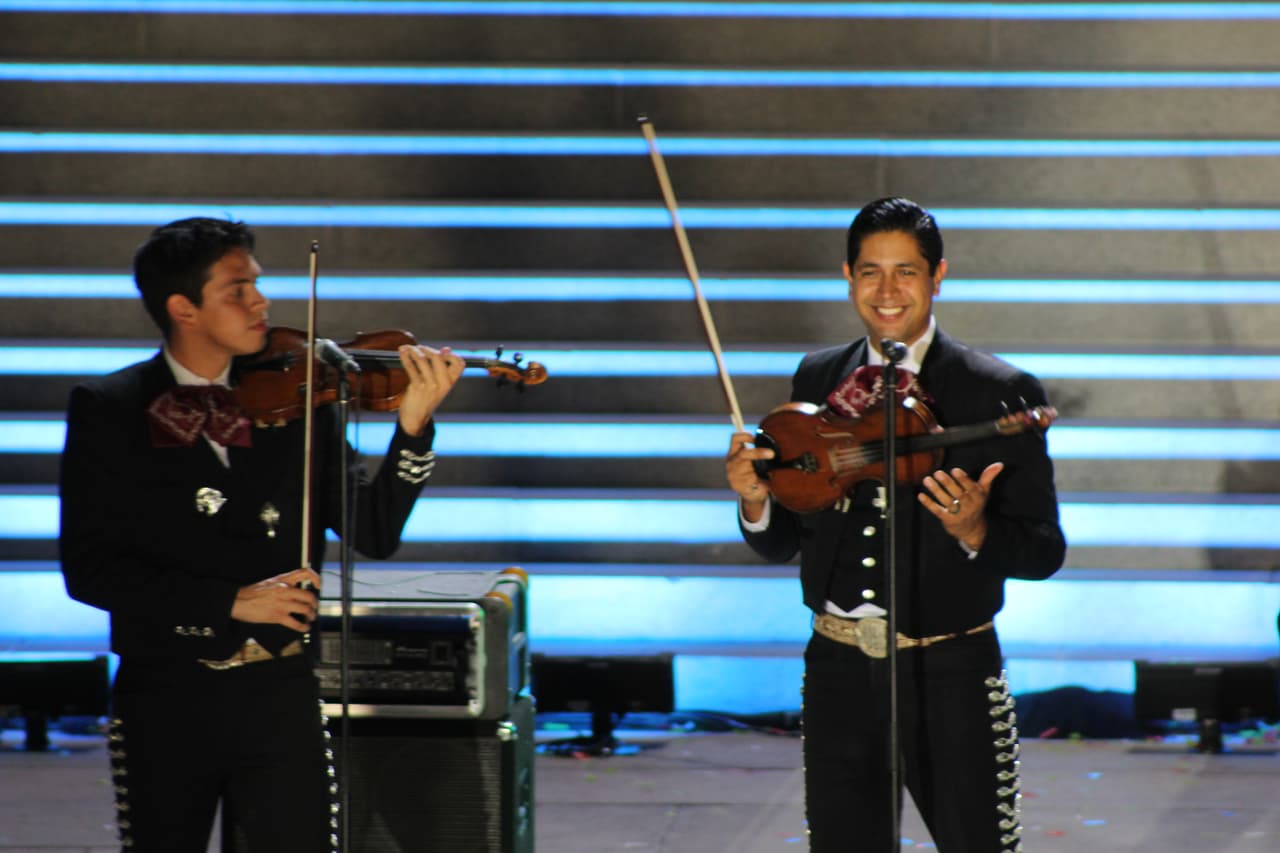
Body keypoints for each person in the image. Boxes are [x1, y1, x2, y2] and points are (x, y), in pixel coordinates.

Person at [58, 217, 463, 852]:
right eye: (237, 290)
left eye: (258, 286)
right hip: (165, 692)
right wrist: (232, 600)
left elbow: (375, 531)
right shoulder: (110, 408)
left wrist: (412, 431)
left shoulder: (305, 401)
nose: (260, 304)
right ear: (182, 308)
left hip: (277, 690)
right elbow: (90, 570)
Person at [725, 197, 1066, 853]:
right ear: (848, 276)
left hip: (950, 673)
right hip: (838, 667)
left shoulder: (997, 390)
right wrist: (754, 500)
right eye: (870, 272)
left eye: (906, 271)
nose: (887, 291)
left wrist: (975, 530)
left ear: (938, 277)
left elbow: (1044, 549)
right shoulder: (819, 376)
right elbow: (787, 537)